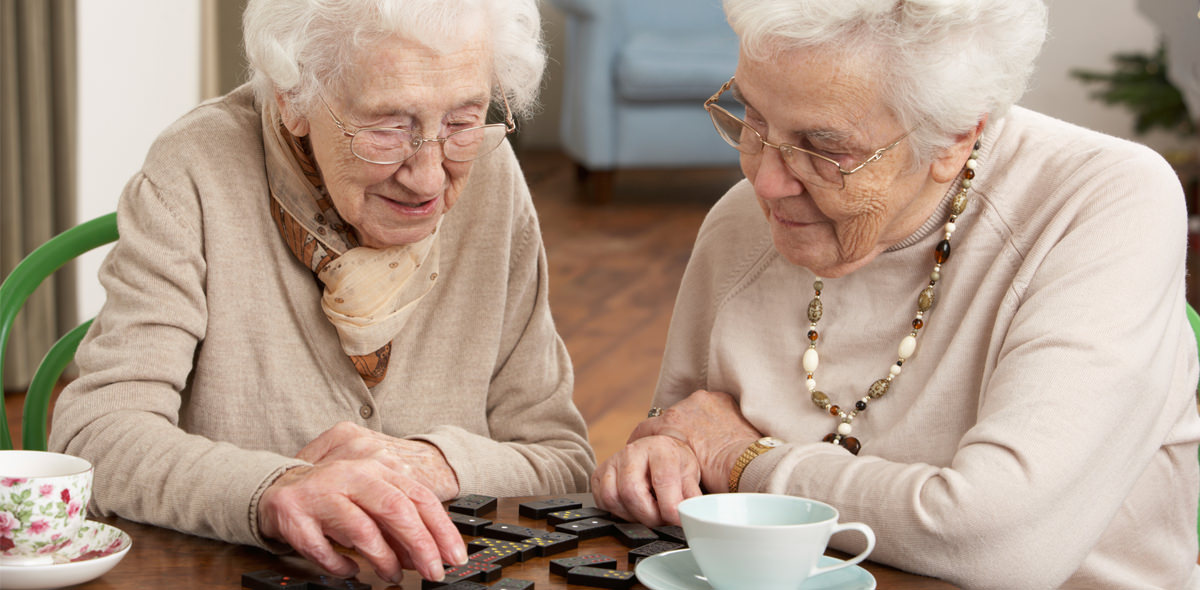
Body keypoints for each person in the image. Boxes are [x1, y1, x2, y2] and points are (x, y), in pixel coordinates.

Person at [591, 1, 1200, 588]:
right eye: (752, 118)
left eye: (825, 148)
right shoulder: (741, 225)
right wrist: (661, 462)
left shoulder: (1101, 202)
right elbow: (682, 448)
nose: (766, 180)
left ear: (957, 139)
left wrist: (743, 460)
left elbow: (998, 544)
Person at [48, 0, 594, 584]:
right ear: (295, 98)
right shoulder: (198, 168)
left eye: (462, 121)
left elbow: (561, 460)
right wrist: (276, 489)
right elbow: (97, 439)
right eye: (389, 127)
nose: (429, 175)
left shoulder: (491, 172)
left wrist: (431, 464)